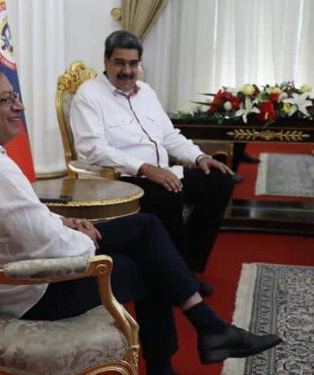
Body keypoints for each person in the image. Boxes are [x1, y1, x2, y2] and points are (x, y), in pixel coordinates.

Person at [0, 61, 281, 375]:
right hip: (26, 292)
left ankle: (210, 329)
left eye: (15, 97)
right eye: (6, 100)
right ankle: (180, 355)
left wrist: (63, 222)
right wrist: (81, 237)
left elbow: (12, 217)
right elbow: (50, 245)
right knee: (151, 266)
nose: (19, 107)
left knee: (145, 227)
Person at [70, 30, 235, 294]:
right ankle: (176, 278)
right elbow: (92, 149)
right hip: (122, 180)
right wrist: (146, 169)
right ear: (106, 62)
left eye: (133, 64)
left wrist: (200, 156)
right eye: (119, 63)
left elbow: (169, 135)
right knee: (168, 195)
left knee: (220, 180)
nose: (127, 71)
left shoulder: (146, 91)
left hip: (163, 172)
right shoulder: (89, 95)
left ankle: (186, 265)